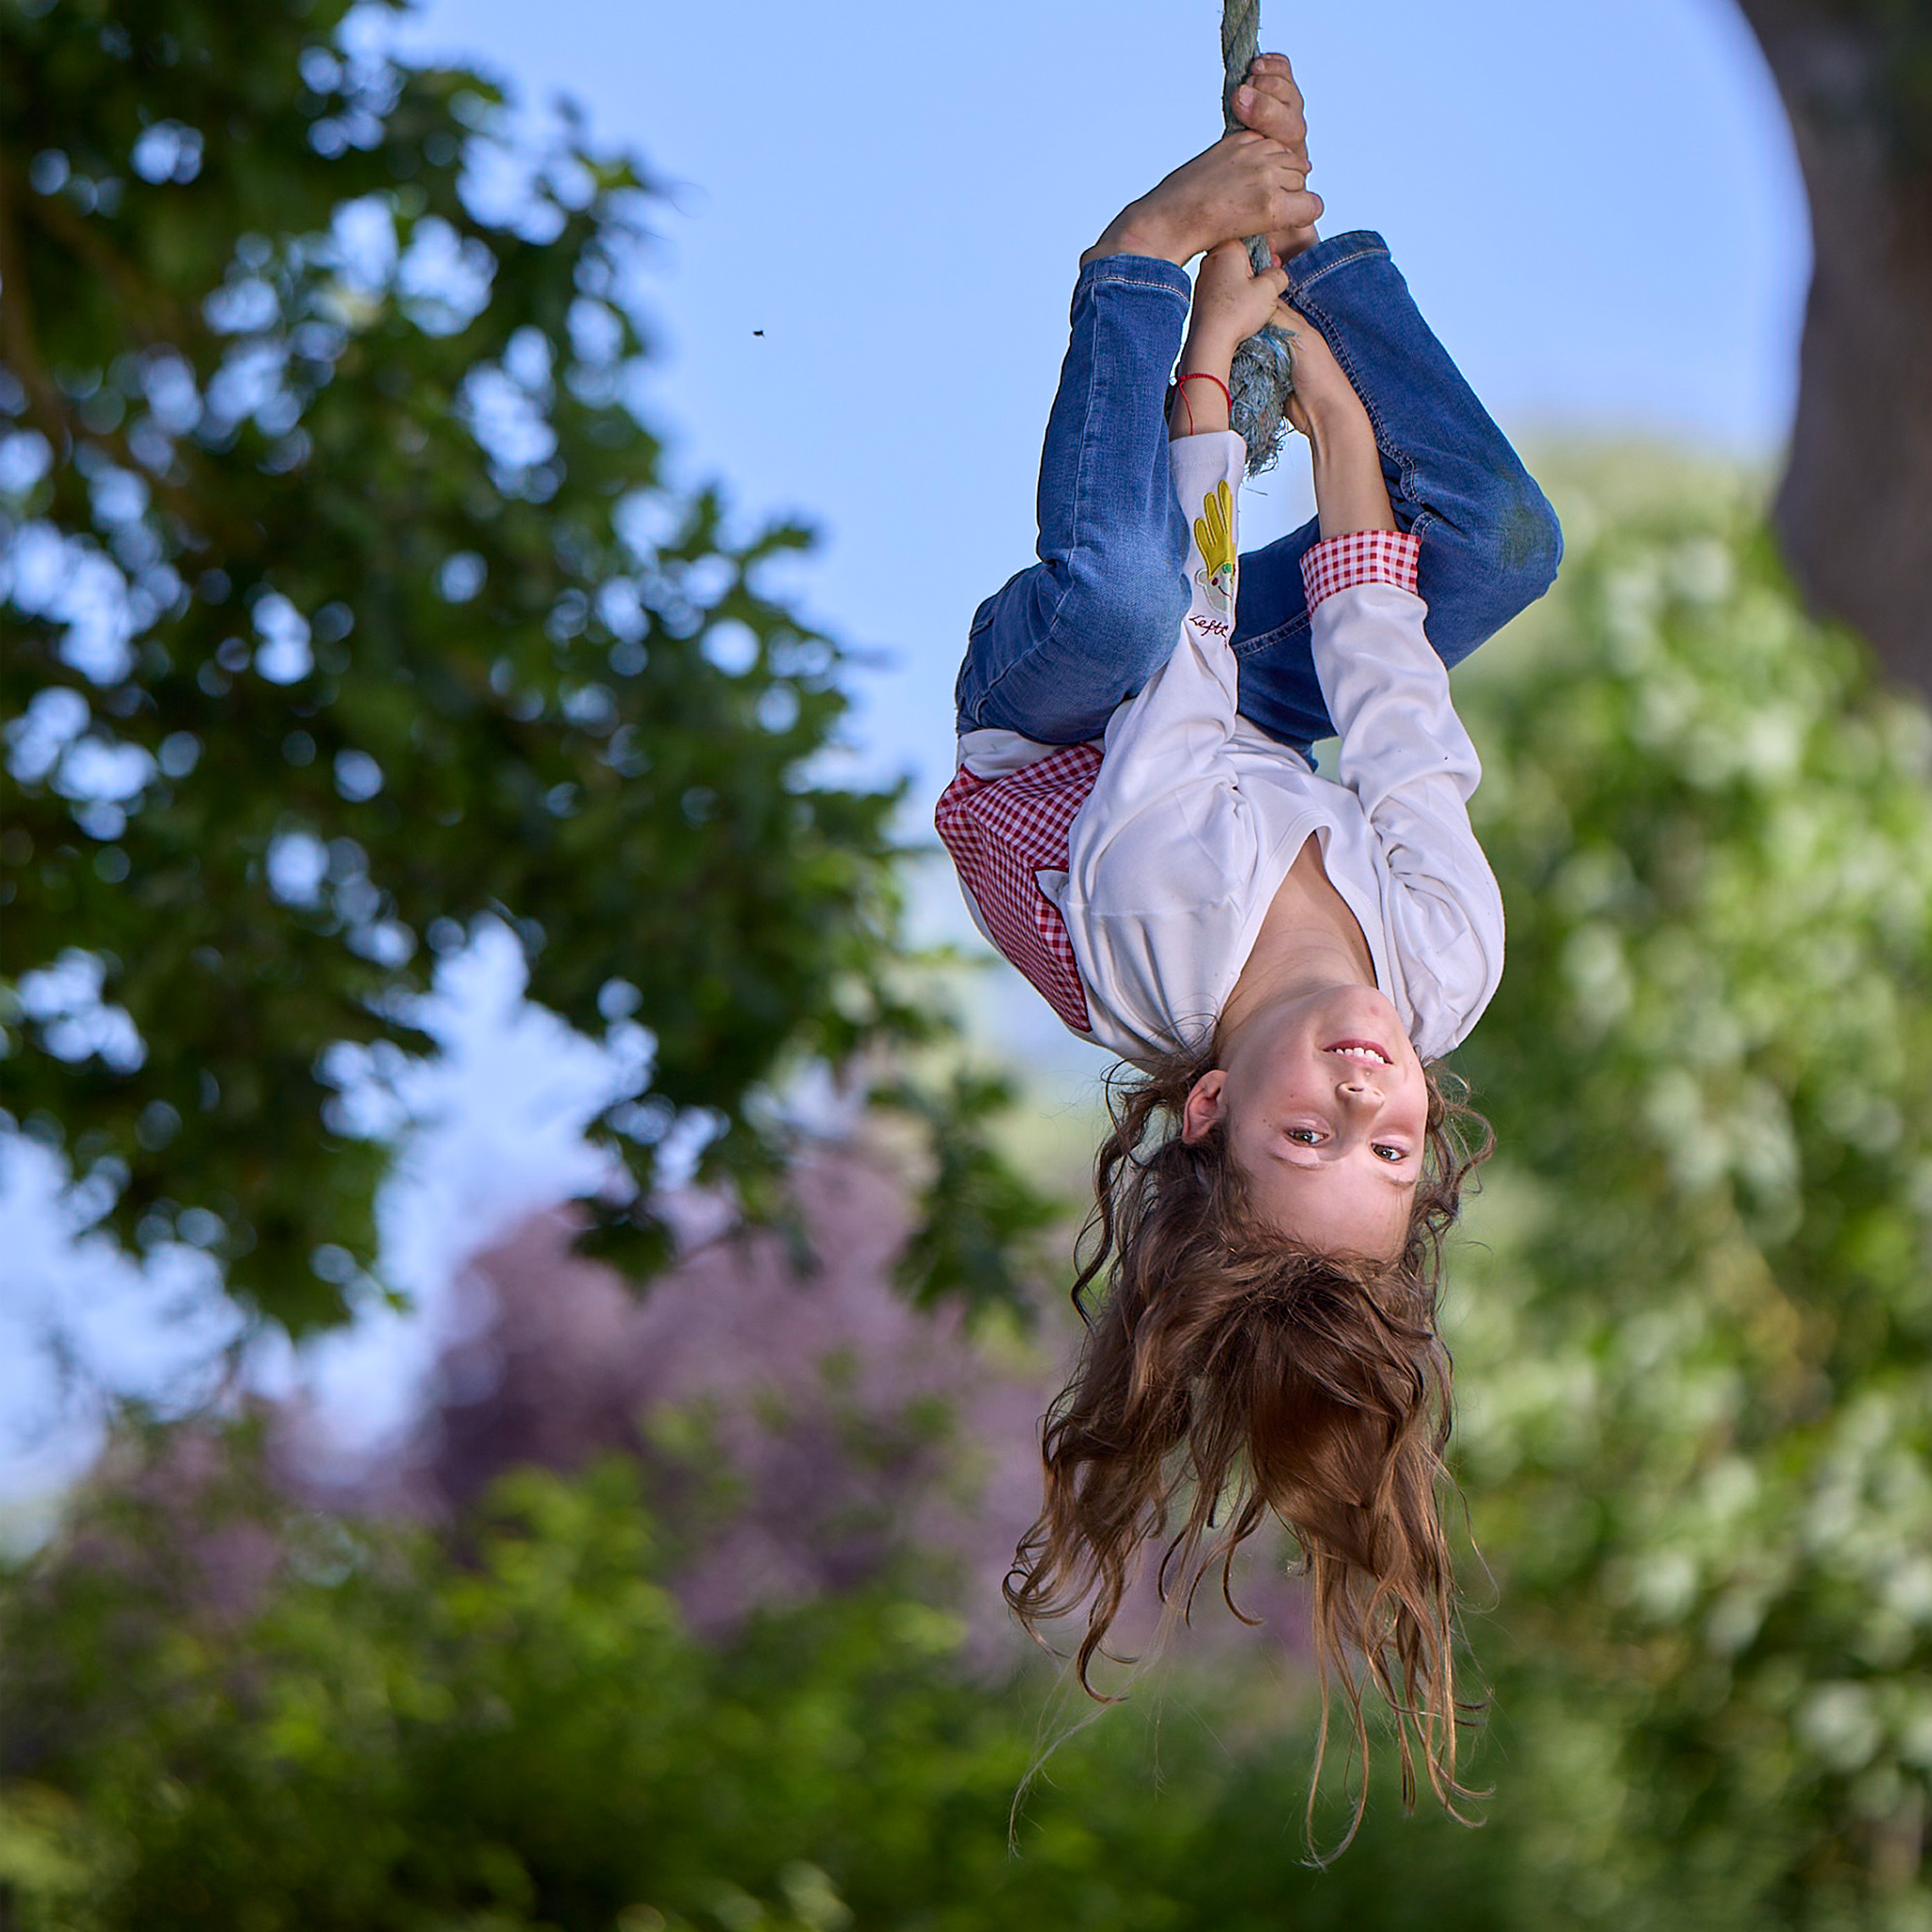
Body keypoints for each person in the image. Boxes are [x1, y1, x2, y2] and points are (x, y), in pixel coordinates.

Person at [935, 57, 1561, 1843]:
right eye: (1390, 1146)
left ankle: (1136, 252)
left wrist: (1208, 340)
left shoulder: (1161, 928)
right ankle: (1316, 242)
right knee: (1503, 549)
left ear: (1209, 1103)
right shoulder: (1440, 971)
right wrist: (1329, 388)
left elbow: (1195, 632)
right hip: (1247, 739)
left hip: (1073, 731)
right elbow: (1397, 692)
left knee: (1129, 585)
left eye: (1313, 1135)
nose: (1370, 1095)